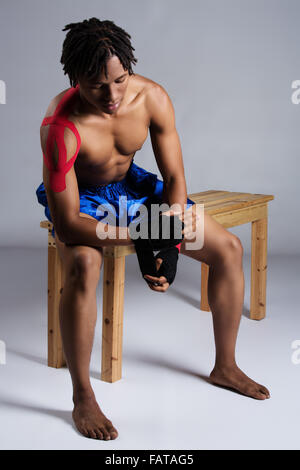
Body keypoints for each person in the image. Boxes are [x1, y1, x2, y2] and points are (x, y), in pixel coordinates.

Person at [36, 17, 270, 441]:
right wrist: (145, 238)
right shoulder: (60, 127)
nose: (112, 96)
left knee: (229, 249)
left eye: (120, 80)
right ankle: (82, 396)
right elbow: (69, 225)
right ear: (74, 78)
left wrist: (165, 236)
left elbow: (176, 178)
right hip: (85, 200)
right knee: (84, 268)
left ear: (129, 67)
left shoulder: (152, 97)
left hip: (137, 189)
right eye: (96, 85)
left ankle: (226, 367)